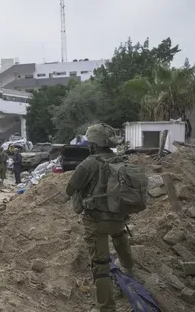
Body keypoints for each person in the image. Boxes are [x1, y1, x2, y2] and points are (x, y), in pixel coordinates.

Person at [65, 123, 135, 312]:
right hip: (118, 218)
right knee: (120, 237)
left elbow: (70, 189)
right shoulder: (121, 160)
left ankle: (105, 307)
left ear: (94, 145)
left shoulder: (88, 163)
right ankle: (128, 268)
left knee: (100, 264)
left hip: (96, 222)